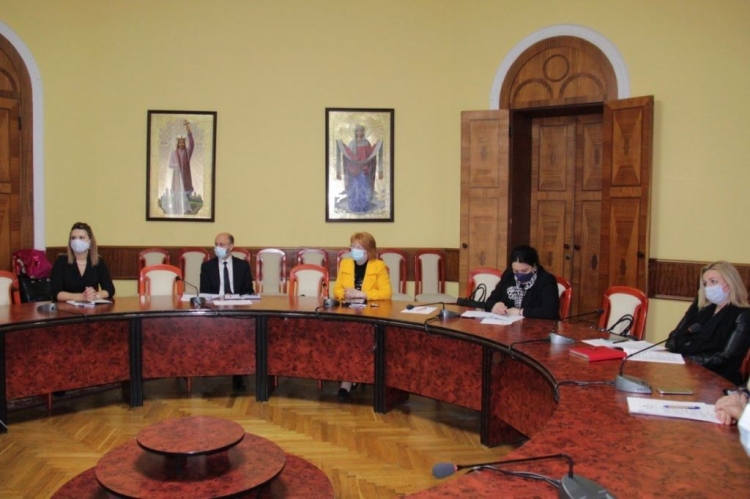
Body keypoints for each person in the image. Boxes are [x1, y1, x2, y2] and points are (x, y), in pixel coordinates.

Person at [665, 261, 750, 385]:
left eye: (713, 282)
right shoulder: (701, 307)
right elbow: (676, 334)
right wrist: (669, 353)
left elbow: (726, 357)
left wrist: (685, 360)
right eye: (705, 284)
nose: (708, 287)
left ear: (730, 284)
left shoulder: (743, 315)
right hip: (684, 371)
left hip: (717, 379)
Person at [333, 231, 392, 399]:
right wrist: (346, 294)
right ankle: (348, 378)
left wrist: (363, 294)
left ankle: (356, 376)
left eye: (358, 247)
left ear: (368, 250)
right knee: (345, 339)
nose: (354, 250)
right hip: (347, 311)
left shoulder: (378, 266)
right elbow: (336, 289)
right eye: (353, 246)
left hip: (370, 312)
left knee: (360, 339)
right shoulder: (345, 263)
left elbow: (386, 293)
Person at [199, 232, 254, 391]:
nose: (218, 248)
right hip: (215, 309)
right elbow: (205, 292)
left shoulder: (242, 266)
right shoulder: (207, 266)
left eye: (222, 245)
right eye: (216, 244)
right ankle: (210, 367)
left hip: (237, 309)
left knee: (239, 333)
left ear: (231, 246)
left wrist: (235, 300)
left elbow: (248, 290)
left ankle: (238, 373)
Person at [484, 245, 559, 320]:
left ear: (534, 266)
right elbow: (490, 300)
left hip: (537, 325)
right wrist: (495, 306)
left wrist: (521, 312)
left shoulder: (546, 280)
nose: (519, 275)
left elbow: (550, 312)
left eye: (524, 271)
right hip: (509, 324)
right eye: (516, 271)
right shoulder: (509, 275)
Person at [50, 222, 115, 302]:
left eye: (81, 237)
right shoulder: (61, 261)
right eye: (73, 238)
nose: (77, 241)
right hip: (66, 308)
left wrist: (95, 295)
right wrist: (81, 296)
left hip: (90, 307)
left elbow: (110, 289)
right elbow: (55, 292)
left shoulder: (98, 262)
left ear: (90, 241)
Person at [336, 124, 383, 213]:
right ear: (355, 132)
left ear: (363, 132)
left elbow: (370, 154)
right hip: (354, 169)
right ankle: (354, 205)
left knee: (364, 187)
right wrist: (342, 146)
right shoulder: (352, 143)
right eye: (358, 131)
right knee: (355, 187)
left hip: (364, 169)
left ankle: (364, 206)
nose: (359, 132)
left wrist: (378, 145)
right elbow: (349, 155)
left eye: (361, 130)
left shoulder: (366, 143)